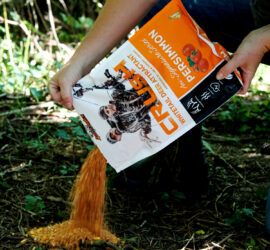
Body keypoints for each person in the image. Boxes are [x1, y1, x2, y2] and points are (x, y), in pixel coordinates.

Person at [48, 0, 270, 198]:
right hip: (257, 14)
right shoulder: (122, 114)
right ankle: (181, 164)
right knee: (165, 8)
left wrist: (263, 40)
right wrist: (79, 64)